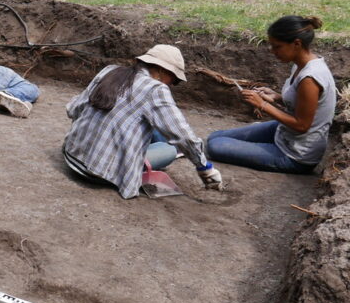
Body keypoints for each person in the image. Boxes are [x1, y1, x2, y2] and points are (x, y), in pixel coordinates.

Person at [62, 44, 224, 199]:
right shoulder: (155, 89)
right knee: (169, 150)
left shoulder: (110, 71)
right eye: (174, 80)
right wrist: (204, 168)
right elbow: (183, 135)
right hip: (99, 173)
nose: (172, 84)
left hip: (71, 156)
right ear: (161, 69)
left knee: (152, 126)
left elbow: (74, 109)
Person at [206, 16, 335, 174]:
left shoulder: (310, 78)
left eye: (277, 47)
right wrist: (276, 97)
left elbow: (302, 125)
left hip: (295, 155)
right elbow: (305, 104)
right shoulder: (301, 65)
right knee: (214, 137)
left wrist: (263, 105)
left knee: (216, 146)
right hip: (285, 132)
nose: (273, 52)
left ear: (296, 44)